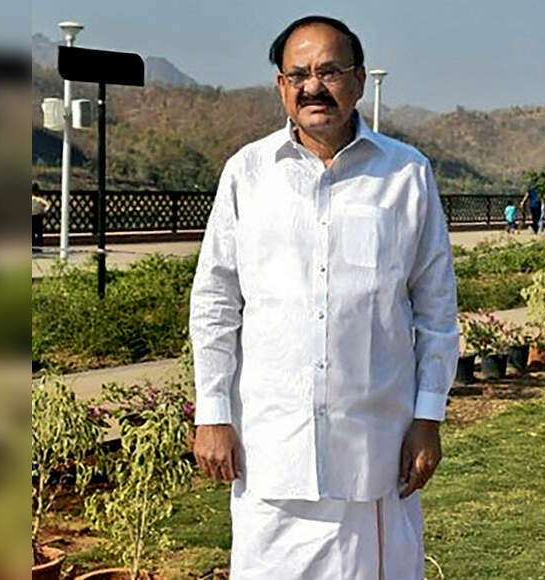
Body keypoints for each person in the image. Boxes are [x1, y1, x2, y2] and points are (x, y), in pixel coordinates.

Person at [188, 16, 458, 579]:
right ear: (281, 86)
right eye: (299, 74)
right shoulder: (248, 174)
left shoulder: (405, 174)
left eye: (330, 72)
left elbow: (436, 308)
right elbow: (215, 301)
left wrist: (428, 417)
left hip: (375, 450)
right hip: (272, 450)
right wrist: (213, 415)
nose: (314, 86)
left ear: (358, 80)